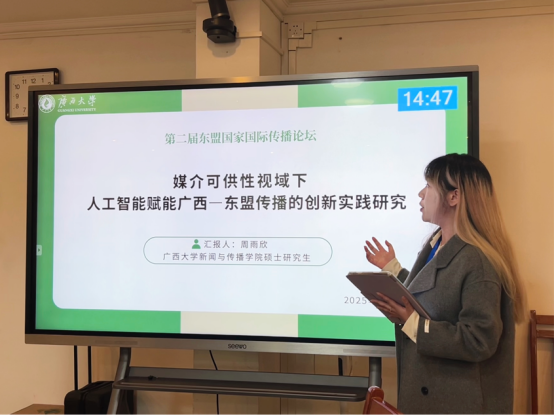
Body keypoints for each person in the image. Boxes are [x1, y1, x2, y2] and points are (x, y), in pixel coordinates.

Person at [364, 154, 525, 415]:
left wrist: (413, 324)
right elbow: (432, 296)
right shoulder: (437, 243)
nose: (421, 194)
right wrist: (392, 269)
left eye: (428, 186)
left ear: (454, 197)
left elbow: (479, 339)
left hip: (460, 404)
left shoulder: (477, 259)